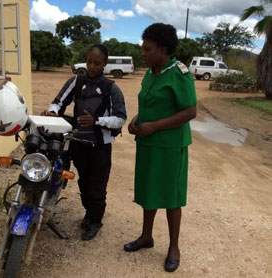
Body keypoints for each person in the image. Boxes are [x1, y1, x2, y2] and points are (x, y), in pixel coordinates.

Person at [124, 23, 197, 272]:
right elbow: (148, 103)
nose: (143, 53)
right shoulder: (151, 72)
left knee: (171, 196)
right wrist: (137, 120)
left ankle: (174, 247)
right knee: (149, 190)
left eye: (148, 49)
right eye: (142, 49)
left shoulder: (179, 73)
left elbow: (190, 111)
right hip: (148, 144)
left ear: (164, 49)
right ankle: (146, 237)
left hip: (169, 146)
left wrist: (154, 126)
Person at [42, 44, 127, 240]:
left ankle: (96, 220)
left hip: (100, 146)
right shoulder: (77, 81)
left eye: (97, 63)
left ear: (104, 64)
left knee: (97, 186)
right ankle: (89, 213)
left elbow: (120, 118)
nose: (92, 66)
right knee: (83, 182)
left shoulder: (111, 88)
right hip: (78, 142)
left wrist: (96, 121)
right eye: (89, 61)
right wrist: (53, 111)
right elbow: (59, 101)